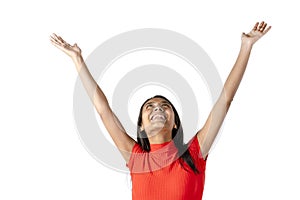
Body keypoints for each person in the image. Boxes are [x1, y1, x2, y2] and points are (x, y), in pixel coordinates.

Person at [50, 21, 271, 199]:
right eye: (150, 107)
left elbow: (225, 101)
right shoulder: (136, 159)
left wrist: (246, 47)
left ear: (175, 122)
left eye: (165, 106)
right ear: (142, 125)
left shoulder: (194, 153)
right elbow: (103, 110)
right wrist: (77, 60)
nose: (158, 108)